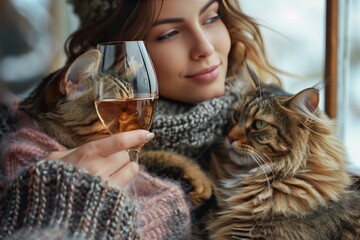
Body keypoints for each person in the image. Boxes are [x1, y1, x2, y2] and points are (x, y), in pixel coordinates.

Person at [0, 0, 281, 239]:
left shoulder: (288, 125)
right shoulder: (23, 160)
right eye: (169, 33)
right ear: (120, 55)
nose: (205, 47)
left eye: (211, 17)